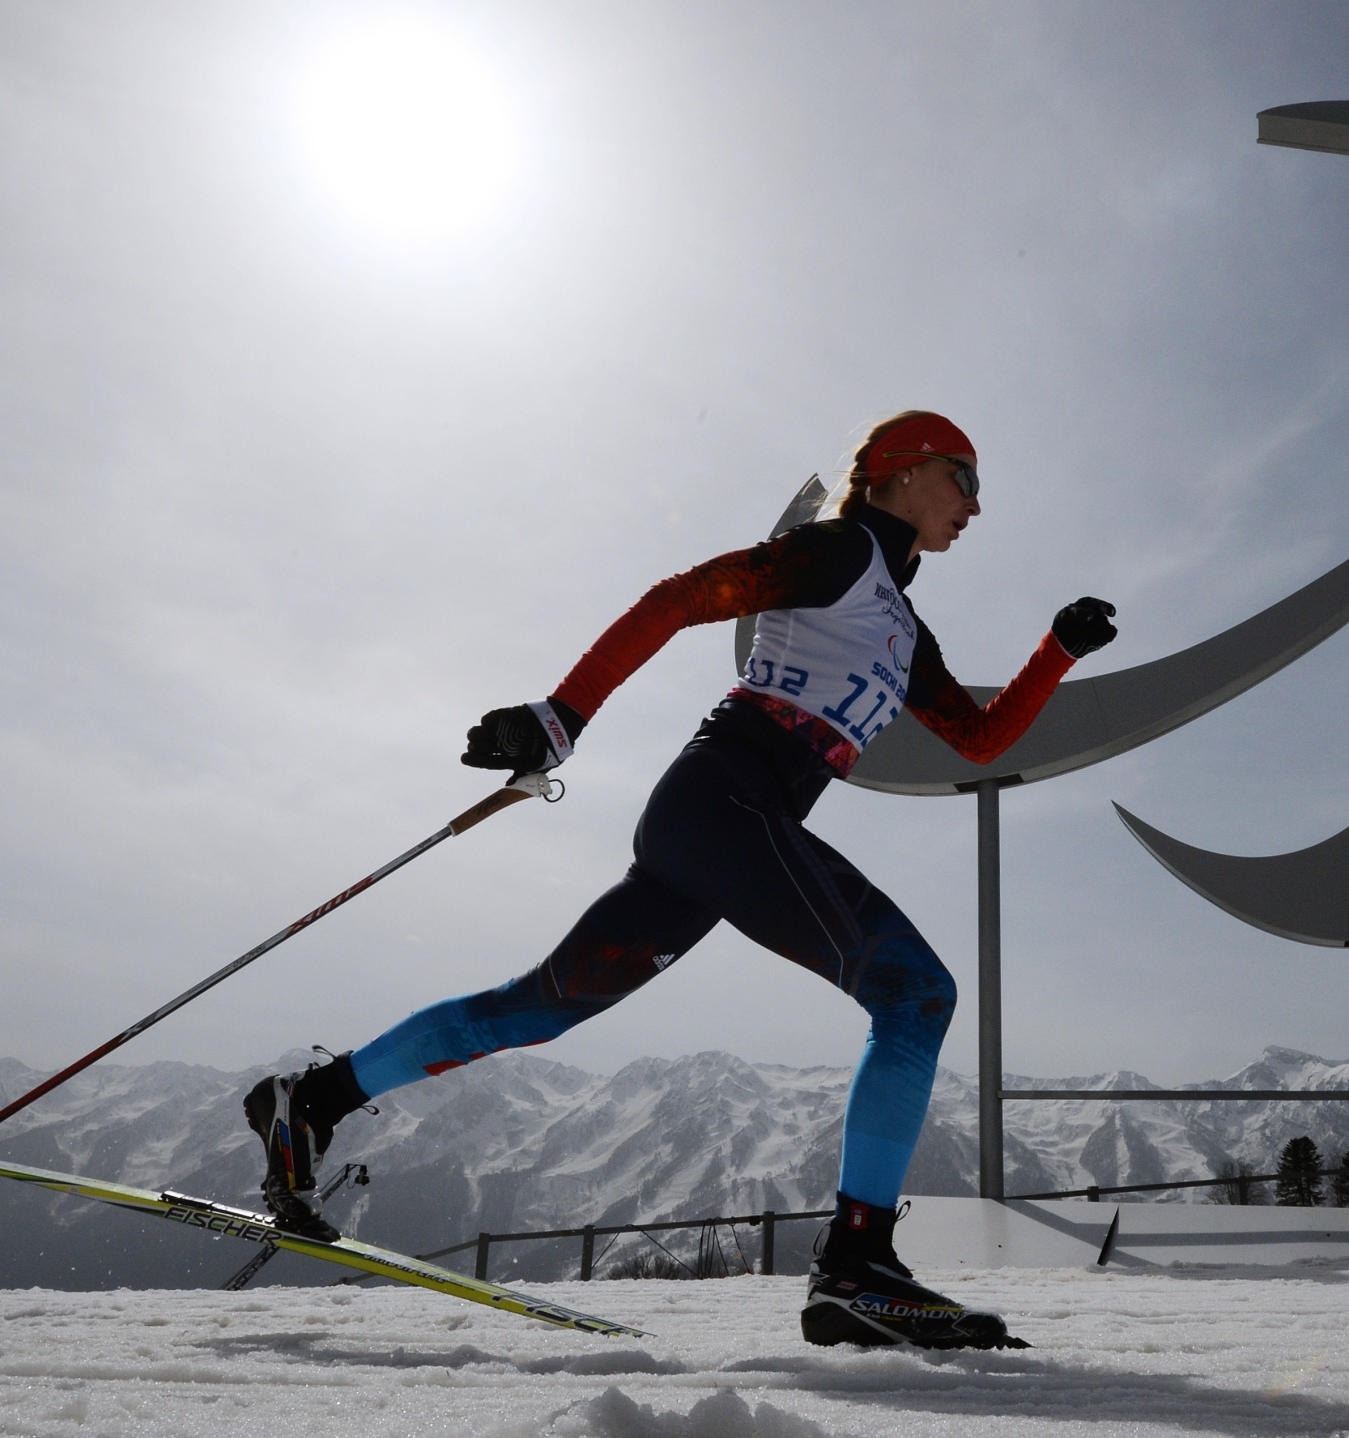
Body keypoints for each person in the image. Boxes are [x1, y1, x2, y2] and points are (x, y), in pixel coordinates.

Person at [245, 411, 1116, 1348]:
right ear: (903, 473)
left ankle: (316, 1099)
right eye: (964, 479)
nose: (976, 507)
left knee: (534, 1008)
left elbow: (978, 741)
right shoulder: (835, 554)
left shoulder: (904, 627)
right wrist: (560, 716)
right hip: (725, 804)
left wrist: (1054, 652)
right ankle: (857, 1267)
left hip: (721, 828)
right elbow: (680, 597)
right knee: (915, 995)